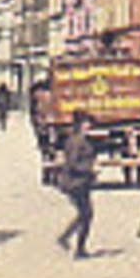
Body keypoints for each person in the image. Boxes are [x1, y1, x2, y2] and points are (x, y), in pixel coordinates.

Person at [55, 111, 97, 259]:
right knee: (86, 214)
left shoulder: (79, 140)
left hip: (81, 182)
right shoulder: (76, 141)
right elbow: (72, 164)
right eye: (86, 123)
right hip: (75, 182)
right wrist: (90, 170)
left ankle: (70, 241)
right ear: (79, 125)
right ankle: (78, 247)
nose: (89, 126)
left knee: (85, 214)